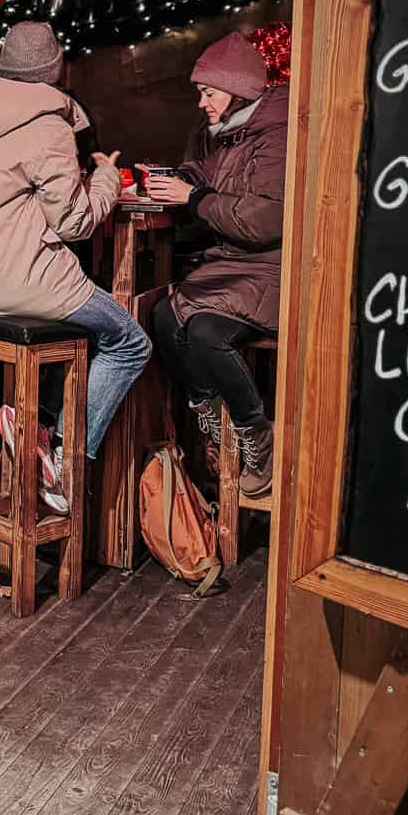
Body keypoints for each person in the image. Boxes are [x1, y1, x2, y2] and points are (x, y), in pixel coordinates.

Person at [0, 21, 151, 508]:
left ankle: (37, 426)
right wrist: (106, 180)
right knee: (129, 343)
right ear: (54, 70)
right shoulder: (49, 126)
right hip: (31, 285)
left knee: (74, 343)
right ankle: (63, 456)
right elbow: (76, 222)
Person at [145, 31, 289, 496]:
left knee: (206, 332)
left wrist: (196, 198)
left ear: (237, 91)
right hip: (230, 264)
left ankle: (254, 432)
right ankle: (210, 415)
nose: (202, 103)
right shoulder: (228, 134)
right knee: (164, 315)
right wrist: (179, 178)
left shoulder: (278, 137)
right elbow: (205, 172)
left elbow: (263, 221)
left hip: (268, 266)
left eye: (208, 93)